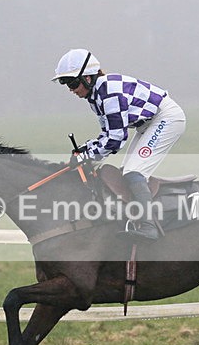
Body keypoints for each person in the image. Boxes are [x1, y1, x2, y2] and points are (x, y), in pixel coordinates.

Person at [52, 48, 186, 241]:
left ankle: (149, 226)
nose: (72, 90)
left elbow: (116, 139)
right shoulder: (95, 96)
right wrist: (85, 150)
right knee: (127, 173)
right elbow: (107, 134)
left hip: (166, 119)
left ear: (88, 78)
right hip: (148, 124)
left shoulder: (108, 91)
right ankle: (138, 219)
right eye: (66, 84)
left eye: (72, 83)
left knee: (134, 173)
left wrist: (86, 156)